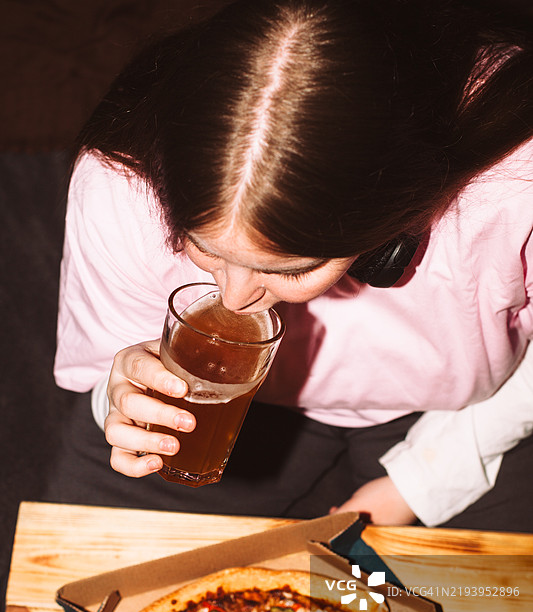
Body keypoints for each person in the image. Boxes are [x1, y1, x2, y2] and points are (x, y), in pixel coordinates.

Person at [50, 0, 533, 530]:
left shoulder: (518, 172)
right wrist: (122, 398)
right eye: (203, 246)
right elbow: (110, 365)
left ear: (398, 218)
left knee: (494, 604)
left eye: (288, 269)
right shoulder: (118, 179)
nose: (233, 300)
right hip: (241, 409)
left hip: (463, 414)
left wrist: (427, 477)